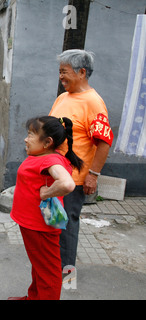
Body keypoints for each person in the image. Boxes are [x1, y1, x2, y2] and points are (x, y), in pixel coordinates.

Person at [49, 49, 113, 273]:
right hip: (54, 175)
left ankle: (66, 275)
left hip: (73, 179)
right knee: (53, 223)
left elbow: (104, 141)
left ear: (82, 72)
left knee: (66, 226)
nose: (61, 77)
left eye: (64, 72)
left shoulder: (93, 102)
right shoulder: (63, 97)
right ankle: (53, 270)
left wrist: (93, 175)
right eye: (59, 72)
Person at [9, 116, 83, 300]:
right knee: (39, 265)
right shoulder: (41, 156)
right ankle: (33, 296)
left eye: (31, 134)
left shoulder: (50, 160)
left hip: (40, 227)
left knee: (48, 272)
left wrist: (46, 193)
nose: (26, 139)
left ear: (47, 142)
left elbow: (67, 184)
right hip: (31, 225)